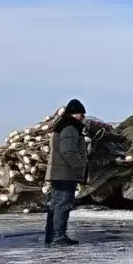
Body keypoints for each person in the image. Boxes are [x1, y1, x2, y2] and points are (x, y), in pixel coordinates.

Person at [45, 99, 88, 247]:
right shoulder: (70, 127)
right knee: (62, 204)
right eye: (80, 114)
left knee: (57, 204)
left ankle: (52, 236)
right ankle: (58, 236)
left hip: (60, 172)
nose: (83, 117)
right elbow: (68, 151)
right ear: (73, 114)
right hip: (65, 172)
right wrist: (80, 166)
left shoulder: (64, 126)